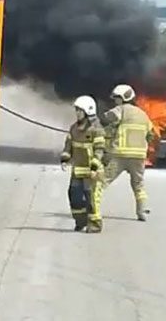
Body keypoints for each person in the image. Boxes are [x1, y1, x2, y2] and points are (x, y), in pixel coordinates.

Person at [100, 84, 155, 222]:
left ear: (123, 98)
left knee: (102, 181)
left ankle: (91, 208)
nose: (115, 101)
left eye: (117, 98)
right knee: (138, 185)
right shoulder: (143, 114)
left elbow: (106, 118)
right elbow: (151, 135)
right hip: (138, 156)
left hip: (120, 154)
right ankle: (141, 211)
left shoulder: (120, 109)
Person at [60, 95, 106, 233]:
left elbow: (99, 149)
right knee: (74, 196)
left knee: (92, 199)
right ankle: (80, 221)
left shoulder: (96, 129)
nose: (77, 113)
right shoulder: (74, 128)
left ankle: (95, 224)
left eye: (80, 110)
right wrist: (65, 159)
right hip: (78, 170)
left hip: (92, 171)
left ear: (88, 111)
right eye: (77, 110)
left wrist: (94, 167)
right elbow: (69, 145)